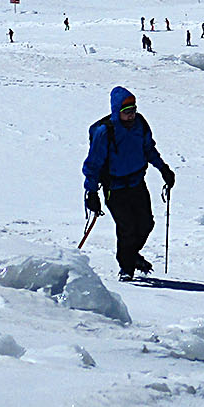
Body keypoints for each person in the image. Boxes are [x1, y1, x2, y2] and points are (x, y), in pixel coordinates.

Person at [83, 86, 176, 281]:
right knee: (127, 228)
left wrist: (163, 169)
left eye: (133, 110)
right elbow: (93, 164)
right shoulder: (104, 132)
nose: (131, 115)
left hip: (136, 183)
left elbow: (149, 149)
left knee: (146, 224)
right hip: (114, 189)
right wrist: (91, 193)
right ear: (117, 111)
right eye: (126, 112)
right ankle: (126, 268)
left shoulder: (140, 124)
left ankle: (130, 256)